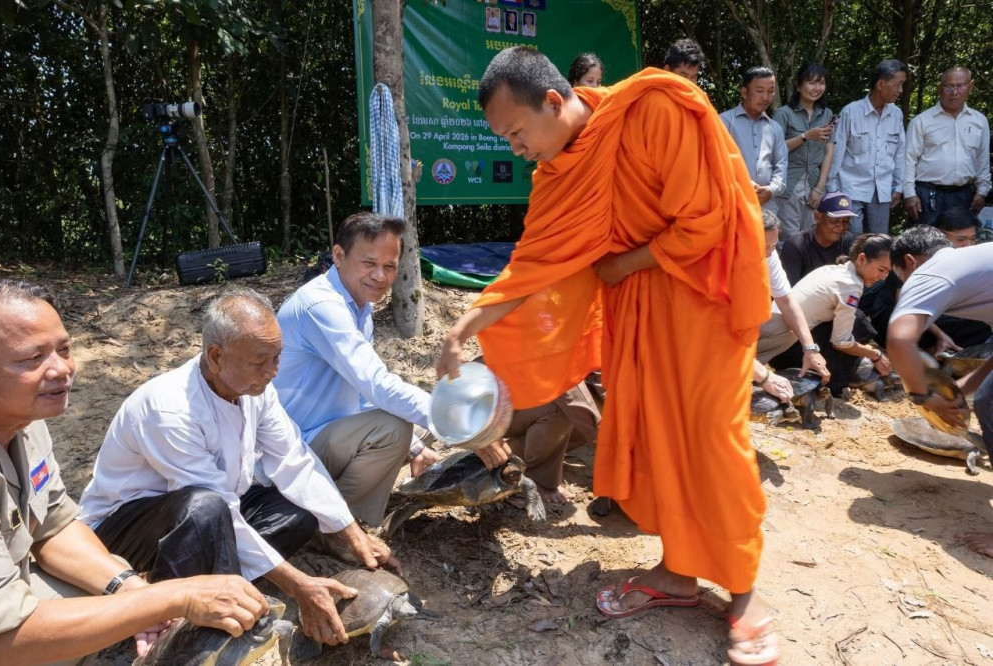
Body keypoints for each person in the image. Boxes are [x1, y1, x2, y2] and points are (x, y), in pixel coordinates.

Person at [436, 46, 779, 664]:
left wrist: (626, 262)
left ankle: (745, 589)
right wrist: (461, 330)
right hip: (639, 310)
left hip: (702, 298)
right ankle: (678, 572)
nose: (515, 148)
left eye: (516, 132)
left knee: (711, 436)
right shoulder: (558, 173)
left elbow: (706, 219)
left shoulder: (653, 109)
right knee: (656, 433)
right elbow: (530, 266)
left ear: (552, 100)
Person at [79, 289, 397, 650]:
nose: (272, 372)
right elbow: (215, 506)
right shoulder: (169, 409)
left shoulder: (255, 389)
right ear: (216, 357)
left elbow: (293, 459)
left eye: (277, 358)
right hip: (124, 530)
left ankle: (224, 583)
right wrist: (297, 584)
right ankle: (168, 614)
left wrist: (350, 531)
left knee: (299, 513)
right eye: (260, 361)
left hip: (211, 509)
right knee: (206, 508)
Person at [0, 279, 268, 665]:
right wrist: (173, 597)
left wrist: (130, 589)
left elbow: (53, 526)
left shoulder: (26, 423)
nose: (61, 369)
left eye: (64, 349)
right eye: (32, 358)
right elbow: (3, 639)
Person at [274, 212, 509, 528]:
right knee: (395, 427)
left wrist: (416, 450)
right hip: (296, 446)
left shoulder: (358, 304)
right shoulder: (322, 307)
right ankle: (332, 525)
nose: (380, 276)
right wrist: (466, 430)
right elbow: (376, 384)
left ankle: (342, 505)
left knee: (420, 423)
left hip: (330, 430)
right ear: (338, 256)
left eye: (390, 266)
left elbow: (362, 393)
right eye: (369, 263)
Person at [886, 241, 993, 558]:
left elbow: (900, 339)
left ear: (909, 262)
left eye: (898, 276)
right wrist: (962, 387)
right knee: (987, 400)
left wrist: (922, 395)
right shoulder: (973, 271)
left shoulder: (927, 273)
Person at [758, 234, 893, 397]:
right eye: (881, 270)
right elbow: (841, 342)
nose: (883, 277)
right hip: (786, 344)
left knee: (854, 319)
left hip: (780, 333)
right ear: (862, 259)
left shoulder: (833, 270)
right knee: (858, 323)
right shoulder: (849, 286)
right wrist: (875, 355)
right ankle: (839, 381)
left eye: (887, 272)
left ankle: (850, 370)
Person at [860, 224, 989, 352]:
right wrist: (940, 335)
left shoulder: (941, 269)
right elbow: (904, 326)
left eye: (972, 239)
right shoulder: (920, 268)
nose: (967, 244)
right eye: (961, 239)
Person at [755, 210, 831, 402]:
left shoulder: (769, 256)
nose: (769, 253)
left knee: (789, 327)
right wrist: (764, 377)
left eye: (773, 246)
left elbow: (787, 301)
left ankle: (748, 369)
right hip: (709, 337)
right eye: (763, 247)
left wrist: (810, 348)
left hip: (744, 329)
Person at [827, 59, 908, 235]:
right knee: (853, 238)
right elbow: (837, 152)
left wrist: (899, 186)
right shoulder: (851, 111)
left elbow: (900, 153)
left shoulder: (896, 114)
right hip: (850, 189)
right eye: (898, 84)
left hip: (882, 190)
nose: (901, 90)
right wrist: (832, 190)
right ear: (881, 84)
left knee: (878, 241)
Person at [903, 67, 991, 227]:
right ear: (940, 88)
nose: (954, 92)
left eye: (960, 86)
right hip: (928, 194)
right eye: (948, 86)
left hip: (963, 195)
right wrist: (909, 194)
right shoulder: (922, 121)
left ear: (970, 86)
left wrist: (982, 191)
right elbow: (908, 160)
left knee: (961, 238)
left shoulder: (979, 121)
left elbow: (982, 160)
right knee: (927, 240)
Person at [773, 63, 836, 242]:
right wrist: (806, 136)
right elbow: (775, 149)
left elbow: (829, 151)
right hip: (788, 185)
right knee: (789, 239)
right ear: (799, 86)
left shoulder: (827, 114)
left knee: (812, 238)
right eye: (811, 82)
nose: (817, 88)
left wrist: (820, 187)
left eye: (821, 83)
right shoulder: (783, 114)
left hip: (814, 185)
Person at [720, 67, 788, 212]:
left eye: (770, 91)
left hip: (768, 206)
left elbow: (781, 166)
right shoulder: (724, 122)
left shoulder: (775, 128)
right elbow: (719, 162)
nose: (766, 97)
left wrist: (771, 190)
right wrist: (746, 184)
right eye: (760, 91)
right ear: (744, 92)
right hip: (733, 204)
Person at [780, 191, 856, 286]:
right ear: (817, 217)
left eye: (845, 221)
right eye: (835, 221)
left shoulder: (850, 242)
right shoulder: (795, 246)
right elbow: (789, 289)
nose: (840, 227)